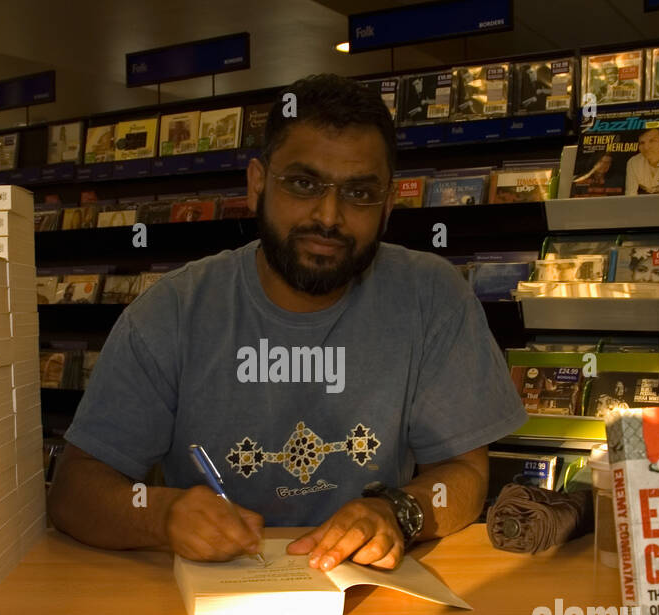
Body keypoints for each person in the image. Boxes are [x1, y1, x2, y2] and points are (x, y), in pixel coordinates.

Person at [48, 74, 526, 571]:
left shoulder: (433, 296)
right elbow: (75, 490)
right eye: (303, 184)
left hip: (372, 600)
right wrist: (163, 516)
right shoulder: (171, 312)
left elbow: (464, 474)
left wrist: (398, 511)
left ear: (387, 205)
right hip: (211, 608)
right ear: (257, 184)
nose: (328, 216)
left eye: (359, 193)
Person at [624, 126, 659, 195]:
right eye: (642, 143)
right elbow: (630, 194)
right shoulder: (633, 162)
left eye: (652, 141)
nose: (646, 148)